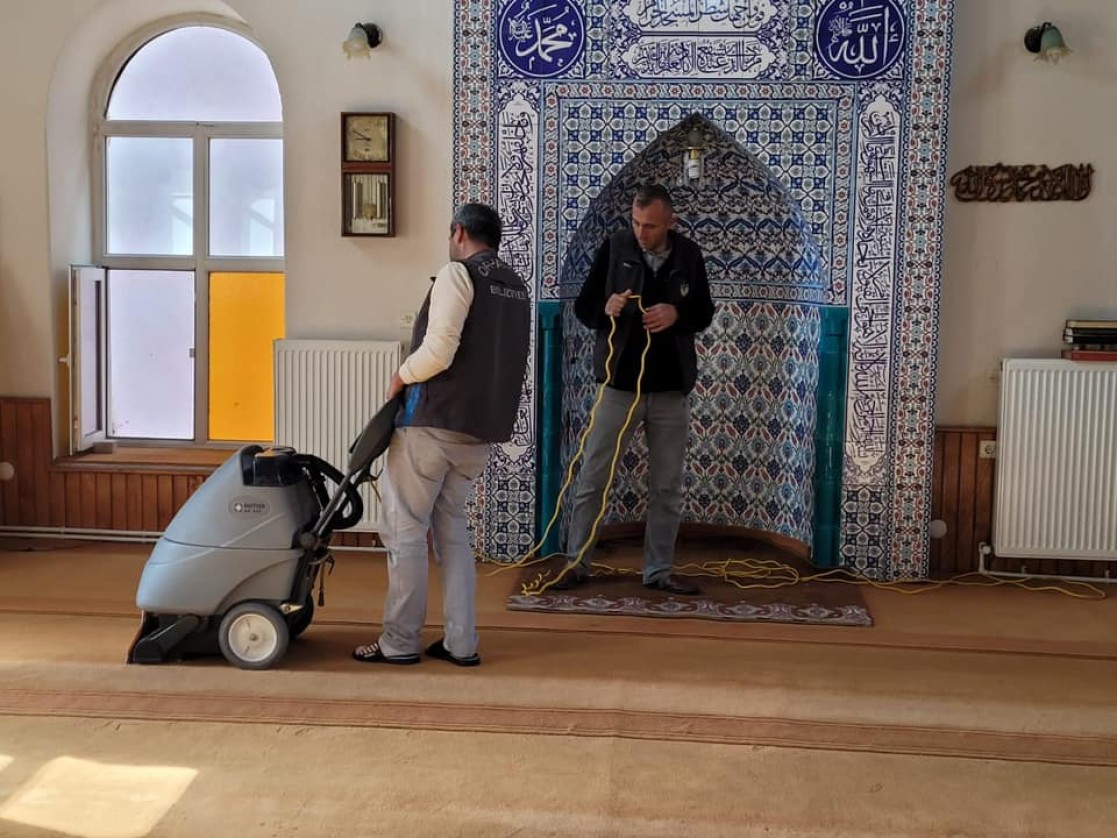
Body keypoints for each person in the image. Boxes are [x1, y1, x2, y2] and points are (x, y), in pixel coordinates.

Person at [353, 203, 530, 667]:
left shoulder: (458, 273)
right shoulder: (515, 286)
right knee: (451, 532)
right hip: (480, 431)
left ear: (458, 233)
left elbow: (439, 350)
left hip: (433, 425)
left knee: (406, 530)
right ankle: (460, 642)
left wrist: (401, 375)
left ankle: (400, 641)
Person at [556, 184, 714, 595]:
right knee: (593, 476)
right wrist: (606, 308)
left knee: (667, 486)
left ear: (671, 223)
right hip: (618, 386)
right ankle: (576, 563)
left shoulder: (689, 256)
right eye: (636, 223)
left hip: (670, 390)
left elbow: (704, 313)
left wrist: (676, 312)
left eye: (651, 226)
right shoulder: (615, 248)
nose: (642, 233)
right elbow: (584, 307)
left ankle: (658, 571)